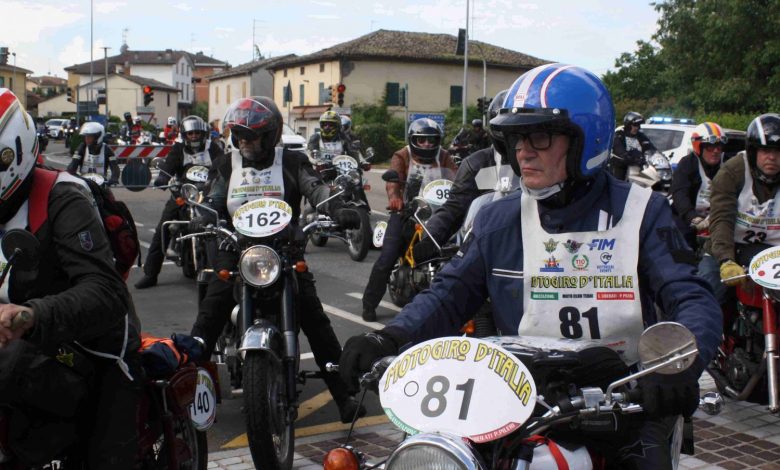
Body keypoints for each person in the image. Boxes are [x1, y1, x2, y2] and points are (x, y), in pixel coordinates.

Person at [341, 65, 721, 469]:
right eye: (517, 138)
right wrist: (390, 338)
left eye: (539, 135)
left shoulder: (644, 212)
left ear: (584, 140)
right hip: (518, 392)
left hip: (623, 395)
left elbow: (691, 296)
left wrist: (677, 365)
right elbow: (447, 296)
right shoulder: (497, 220)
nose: (523, 150)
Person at [188, 96, 365, 422]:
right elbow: (213, 196)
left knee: (315, 320)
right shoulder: (228, 164)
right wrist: (204, 212)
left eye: (251, 136)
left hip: (284, 250)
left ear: (270, 135)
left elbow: (316, 190)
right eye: (239, 136)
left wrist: (337, 207)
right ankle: (185, 395)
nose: (244, 142)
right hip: (237, 248)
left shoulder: (292, 162)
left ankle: (344, 396)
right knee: (210, 311)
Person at [0, 88, 141, 467]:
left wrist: (27, 315)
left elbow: (105, 291)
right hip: (17, 345)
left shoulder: (63, 198)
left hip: (86, 342)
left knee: (104, 457)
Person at [360, 118, 458, 321]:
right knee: (387, 257)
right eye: (421, 140)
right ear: (413, 140)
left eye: (431, 140)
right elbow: (393, 180)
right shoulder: (402, 155)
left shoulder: (445, 156)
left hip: (438, 213)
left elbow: (457, 179)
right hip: (407, 211)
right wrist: (395, 198)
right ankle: (369, 304)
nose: (427, 144)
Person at [412, 89, 517, 263]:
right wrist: (430, 238)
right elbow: (455, 206)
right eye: (506, 126)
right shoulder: (477, 163)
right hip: (483, 244)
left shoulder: (544, 164)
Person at [135, 115, 224, 289]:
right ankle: (150, 274)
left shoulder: (213, 148)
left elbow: (223, 165)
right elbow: (168, 166)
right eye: (190, 133)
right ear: (184, 135)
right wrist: (162, 177)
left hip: (208, 195)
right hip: (184, 194)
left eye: (197, 133)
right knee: (163, 228)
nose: (194, 136)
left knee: (224, 224)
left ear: (204, 133)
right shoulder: (178, 149)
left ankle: (226, 272)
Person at [709, 113, 780, 288]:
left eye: (778, 152)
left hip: (773, 253)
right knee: (709, 290)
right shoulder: (732, 172)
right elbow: (722, 218)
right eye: (765, 151)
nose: (772, 157)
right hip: (731, 247)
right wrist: (726, 260)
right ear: (753, 151)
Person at [670, 122, 728, 301]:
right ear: (699, 147)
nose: (715, 151)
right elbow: (679, 192)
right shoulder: (687, 164)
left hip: (718, 215)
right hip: (688, 216)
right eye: (710, 147)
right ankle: (678, 282)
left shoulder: (729, 165)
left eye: (718, 147)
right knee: (679, 239)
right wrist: (692, 217)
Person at [610, 111, 657, 180]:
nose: (637, 128)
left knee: (652, 181)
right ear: (628, 125)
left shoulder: (640, 136)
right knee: (619, 181)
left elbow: (650, 147)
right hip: (621, 167)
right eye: (635, 125)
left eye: (638, 125)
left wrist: (657, 156)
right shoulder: (619, 135)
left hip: (638, 167)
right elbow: (620, 152)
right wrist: (633, 158)